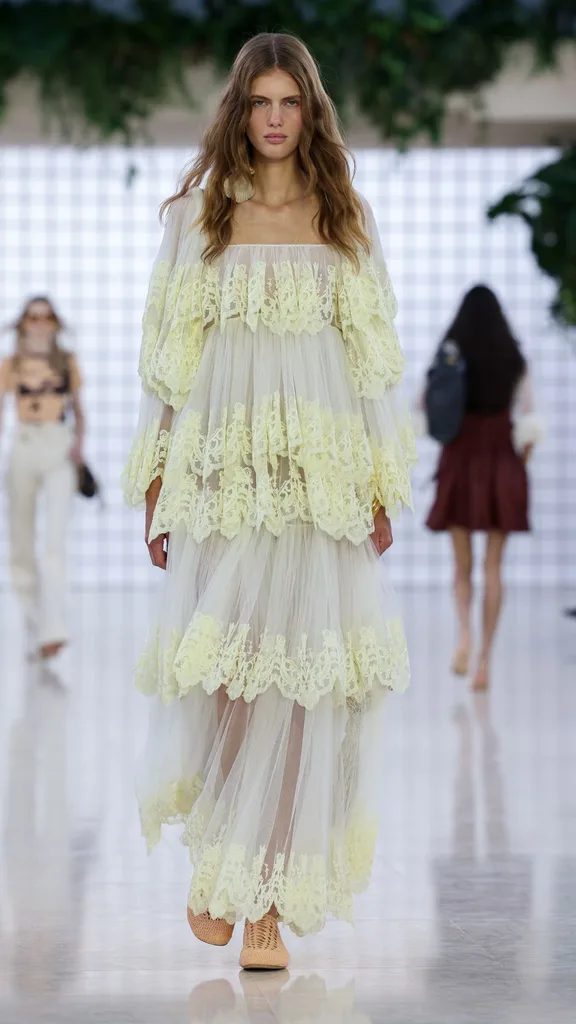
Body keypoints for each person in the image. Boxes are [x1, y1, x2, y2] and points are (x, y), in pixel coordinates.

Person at [123, 32, 416, 970]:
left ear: (312, 113)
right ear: (241, 112)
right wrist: (158, 480)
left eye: (291, 102)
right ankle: (221, 863)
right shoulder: (198, 219)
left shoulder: (344, 218)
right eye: (261, 103)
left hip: (319, 483)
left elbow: (372, 365)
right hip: (224, 476)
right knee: (231, 679)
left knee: (303, 690)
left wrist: (380, 485)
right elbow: (169, 362)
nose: (277, 118)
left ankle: (266, 907)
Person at [425, 285, 543, 691]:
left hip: (460, 459)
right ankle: (485, 662)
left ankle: (464, 637)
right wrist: (518, 467)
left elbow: (427, 406)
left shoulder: (452, 354)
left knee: (462, 566)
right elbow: (528, 420)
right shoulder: (514, 359)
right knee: (494, 567)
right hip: (501, 464)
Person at [0, 296, 84, 659]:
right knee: (20, 541)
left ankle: (54, 628)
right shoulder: (11, 364)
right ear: (23, 323)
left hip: (57, 444)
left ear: (53, 322)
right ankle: (36, 624)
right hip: (25, 443)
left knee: (53, 543)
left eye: (44, 316)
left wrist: (79, 446)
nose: (38, 323)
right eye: (31, 317)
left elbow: (79, 411)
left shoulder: (66, 362)